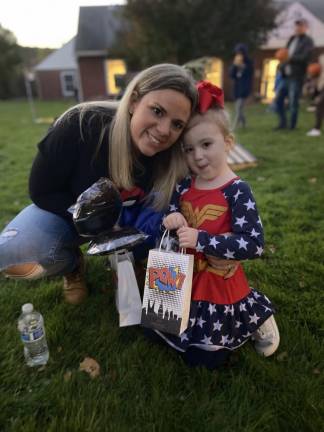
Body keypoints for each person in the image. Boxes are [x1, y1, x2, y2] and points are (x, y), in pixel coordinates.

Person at [0, 64, 197, 304]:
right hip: (66, 214)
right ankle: (72, 266)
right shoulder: (80, 125)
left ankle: (129, 261)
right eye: (157, 111)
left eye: (177, 124)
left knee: (172, 222)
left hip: (129, 221)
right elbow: (41, 190)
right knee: (13, 251)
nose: (165, 130)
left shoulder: (174, 155)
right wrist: (95, 222)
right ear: (134, 101)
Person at [159, 81, 279, 369]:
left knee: (206, 359)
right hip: (183, 278)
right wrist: (172, 217)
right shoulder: (185, 184)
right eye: (188, 149)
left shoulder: (237, 190)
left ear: (228, 143)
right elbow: (173, 209)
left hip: (219, 282)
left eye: (206, 144)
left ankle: (259, 316)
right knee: (162, 333)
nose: (197, 156)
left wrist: (203, 239)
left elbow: (253, 243)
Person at [275, 19, 314, 130]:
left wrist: (290, 58)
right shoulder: (292, 39)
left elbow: (305, 57)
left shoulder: (308, 41)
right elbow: (285, 54)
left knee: (293, 102)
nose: (298, 28)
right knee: (278, 100)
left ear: (306, 28)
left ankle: (292, 126)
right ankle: (282, 123)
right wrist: (281, 63)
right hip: (285, 75)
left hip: (296, 76)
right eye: (297, 26)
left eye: (300, 26)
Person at [229, 43, 254, 129]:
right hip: (237, 89)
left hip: (244, 88)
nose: (239, 55)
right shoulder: (235, 63)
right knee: (238, 108)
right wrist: (235, 66)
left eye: (241, 53)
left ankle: (234, 126)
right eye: (238, 53)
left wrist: (243, 67)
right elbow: (231, 75)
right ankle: (244, 124)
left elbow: (250, 75)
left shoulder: (249, 63)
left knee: (239, 108)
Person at [306, 54, 324, 137]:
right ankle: (316, 129)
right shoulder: (321, 57)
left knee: (320, 104)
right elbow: (319, 71)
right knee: (320, 105)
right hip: (322, 84)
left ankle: (316, 129)